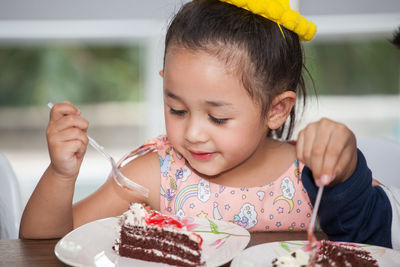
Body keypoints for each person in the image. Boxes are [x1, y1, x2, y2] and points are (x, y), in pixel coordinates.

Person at [19, 0, 397, 249]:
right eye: (177, 109)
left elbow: (379, 238)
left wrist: (346, 168)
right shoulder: (155, 174)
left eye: (218, 117)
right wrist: (61, 173)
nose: (193, 133)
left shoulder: (312, 172)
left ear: (276, 110)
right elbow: (44, 240)